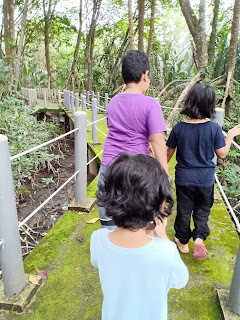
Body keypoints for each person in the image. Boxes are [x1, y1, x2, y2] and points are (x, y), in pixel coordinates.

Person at [91, 153, 189, 320]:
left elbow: (99, 262)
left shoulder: (98, 239)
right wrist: (162, 235)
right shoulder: (166, 251)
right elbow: (180, 280)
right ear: (161, 204)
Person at [166, 83, 240, 260]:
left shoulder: (179, 128)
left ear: (189, 102)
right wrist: (229, 136)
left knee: (184, 210)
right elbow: (222, 154)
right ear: (210, 106)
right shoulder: (214, 129)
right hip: (205, 179)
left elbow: (168, 152)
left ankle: (182, 242)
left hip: (184, 178)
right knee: (202, 210)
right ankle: (199, 237)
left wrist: (161, 168)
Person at [98, 50, 168, 229]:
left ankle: (110, 250)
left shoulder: (112, 102)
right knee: (135, 222)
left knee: (109, 220)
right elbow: (158, 141)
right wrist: (165, 175)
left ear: (124, 77)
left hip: (109, 166)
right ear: (145, 75)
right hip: (134, 171)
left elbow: (120, 131)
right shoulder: (151, 104)